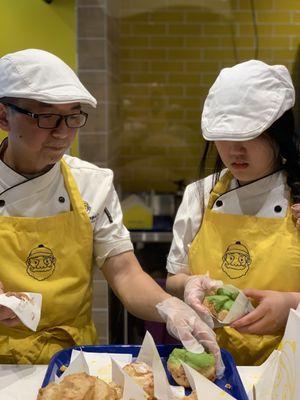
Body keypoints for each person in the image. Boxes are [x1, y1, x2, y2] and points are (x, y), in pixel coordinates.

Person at [0, 48, 222, 372]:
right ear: (4, 116)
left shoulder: (92, 184)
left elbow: (125, 273)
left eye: (73, 117)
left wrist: (170, 307)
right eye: (46, 117)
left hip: (70, 363)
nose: (63, 132)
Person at [166, 59, 300, 366]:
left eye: (251, 135)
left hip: (290, 371)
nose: (235, 150)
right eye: (225, 136)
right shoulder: (199, 195)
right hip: (211, 363)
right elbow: (174, 278)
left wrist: (291, 305)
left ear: (279, 134)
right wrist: (187, 286)